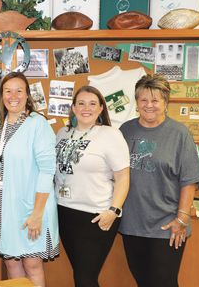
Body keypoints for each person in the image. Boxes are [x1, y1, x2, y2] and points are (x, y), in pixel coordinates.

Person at [119, 74, 199, 287]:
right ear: (137, 102)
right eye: (143, 100)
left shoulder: (179, 133)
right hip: (132, 224)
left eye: (155, 100)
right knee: (143, 281)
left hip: (167, 225)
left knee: (163, 282)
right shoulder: (125, 131)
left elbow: (189, 181)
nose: (149, 105)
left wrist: (182, 220)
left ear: (165, 103)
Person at [0, 72, 59, 286]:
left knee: (32, 264)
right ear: (1, 95)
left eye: (19, 90)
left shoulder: (38, 124)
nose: (13, 96)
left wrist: (37, 213)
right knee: (11, 263)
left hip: (30, 206)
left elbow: (47, 170)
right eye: (8, 91)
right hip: (2, 206)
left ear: (28, 95)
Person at [55, 86, 130, 287]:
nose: (86, 108)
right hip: (65, 212)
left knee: (84, 278)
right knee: (81, 275)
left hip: (96, 216)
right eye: (81, 103)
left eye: (92, 104)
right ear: (73, 107)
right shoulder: (62, 133)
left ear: (100, 109)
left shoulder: (110, 135)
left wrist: (114, 210)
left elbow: (123, 177)